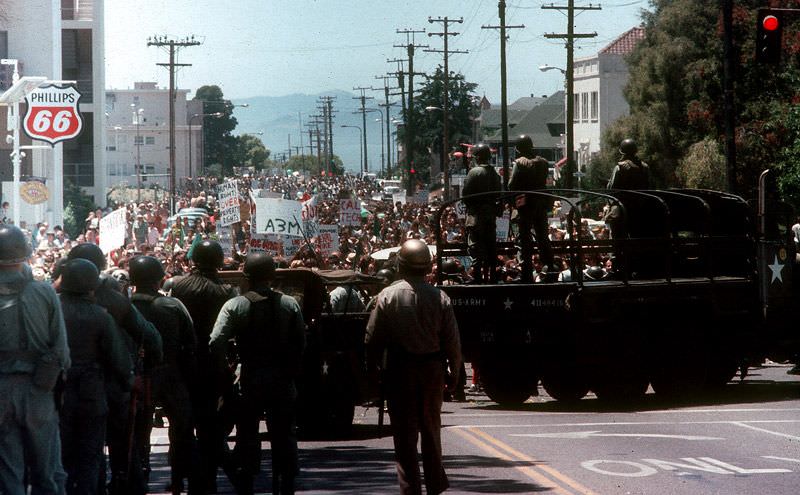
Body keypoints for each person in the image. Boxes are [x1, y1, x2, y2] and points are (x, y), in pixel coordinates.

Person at [365, 239, 462, 495]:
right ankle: (435, 484)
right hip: (431, 371)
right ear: (427, 266)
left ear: (400, 264)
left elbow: (372, 339)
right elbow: (452, 342)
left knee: (405, 437)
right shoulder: (440, 296)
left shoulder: (387, 296)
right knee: (431, 431)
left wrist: (373, 371)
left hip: (400, 371)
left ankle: (410, 489)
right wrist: (455, 373)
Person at [68, 242, 163, 494]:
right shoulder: (113, 299)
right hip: (113, 385)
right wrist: (141, 372)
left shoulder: (49, 300)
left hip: (65, 390)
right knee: (120, 446)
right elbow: (150, 336)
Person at [209, 253, 306, 495]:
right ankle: (286, 481)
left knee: (247, 431)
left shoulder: (235, 305)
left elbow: (215, 342)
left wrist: (225, 371)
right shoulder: (290, 304)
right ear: (272, 276)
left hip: (251, 376)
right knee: (284, 433)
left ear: (247, 277)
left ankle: (247, 476)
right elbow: (301, 342)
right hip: (282, 377)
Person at [0, 224, 71, 494]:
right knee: (49, 473)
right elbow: (62, 352)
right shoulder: (44, 292)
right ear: (24, 255)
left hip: (1, 390)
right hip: (39, 388)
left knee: (9, 474)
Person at [58, 258, 133, 495]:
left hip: (56, 391)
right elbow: (118, 358)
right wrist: (128, 383)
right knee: (90, 456)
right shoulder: (101, 316)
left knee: (61, 456)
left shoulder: (52, 309)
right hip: (92, 391)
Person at [170, 239, 236, 491]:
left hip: (184, 365)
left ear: (193, 259)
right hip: (213, 365)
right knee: (210, 425)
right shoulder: (227, 290)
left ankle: (179, 479)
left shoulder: (178, 286)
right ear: (219, 261)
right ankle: (209, 478)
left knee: (181, 425)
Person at [129, 256, 199, 494]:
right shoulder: (174, 305)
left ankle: (139, 477)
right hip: (171, 373)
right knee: (181, 429)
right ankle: (179, 478)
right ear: (160, 279)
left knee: (137, 431)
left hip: (137, 376)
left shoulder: (125, 307)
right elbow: (191, 344)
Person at [508, 135, 555, 282]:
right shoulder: (543, 162)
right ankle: (550, 269)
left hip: (525, 206)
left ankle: (526, 273)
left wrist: (512, 200)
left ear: (518, 149)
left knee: (524, 239)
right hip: (541, 204)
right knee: (543, 237)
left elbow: (511, 185)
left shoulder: (519, 163)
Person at [461, 143, 502, 283]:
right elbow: (499, 195)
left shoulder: (474, 172)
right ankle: (492, 276)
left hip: (476, 215)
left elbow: (465, 195)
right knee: (490, 245)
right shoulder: (494, 174)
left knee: (475, 245)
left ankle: (477, 276)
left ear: (477, 157)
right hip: (490, 215)